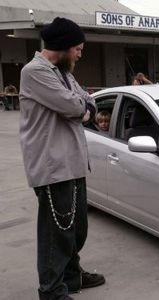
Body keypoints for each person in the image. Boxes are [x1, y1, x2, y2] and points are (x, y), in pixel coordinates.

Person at [19, 17, 105, 300]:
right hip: (52, 165)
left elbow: (87, 100)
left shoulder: (64, 73)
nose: (81, 54)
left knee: (77, 228)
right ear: (64, 46)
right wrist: (81, 108)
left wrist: (84, 107)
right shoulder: (35, 72)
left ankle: (71, 276)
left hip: (73, 163)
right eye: (78, 48)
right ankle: (51, 290)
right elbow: (71, 105)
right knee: (56, 233)